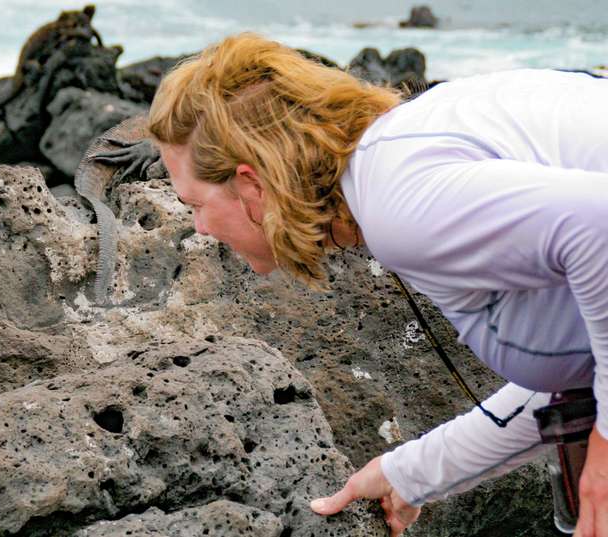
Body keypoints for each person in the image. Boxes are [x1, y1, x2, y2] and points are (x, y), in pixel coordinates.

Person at [145, 33, 608, 536]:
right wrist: (408, 474)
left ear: (251, 184)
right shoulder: (399, 161)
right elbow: (583, 371)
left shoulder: (401, 203)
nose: (200, 229)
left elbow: (599, 226)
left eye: (195, 204)